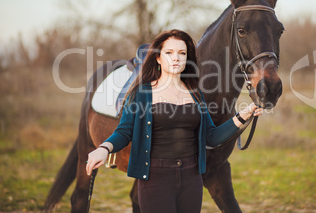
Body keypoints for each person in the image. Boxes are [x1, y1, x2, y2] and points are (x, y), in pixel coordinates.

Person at [86, 29, 263, 213]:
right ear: (158, 58)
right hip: (155, 180)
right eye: (169, 53)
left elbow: (211, 137)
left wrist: (244, 115)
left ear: (187, 58)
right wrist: (103, 148)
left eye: (182, 53)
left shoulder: (195, 93)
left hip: (191, 179)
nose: (176, 58)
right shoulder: (142, 92)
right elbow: (124, 131)